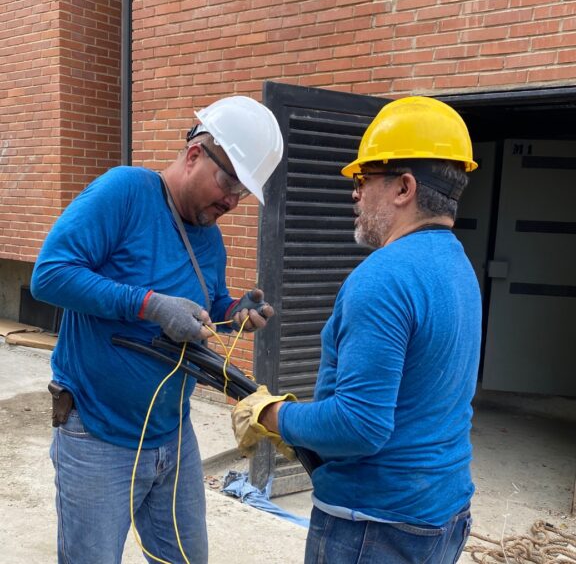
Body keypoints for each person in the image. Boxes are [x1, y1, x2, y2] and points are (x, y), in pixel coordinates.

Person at [30, 95, 284, 564]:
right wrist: (149, 304)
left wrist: (236, 314)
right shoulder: (125, 192)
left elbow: (206, 307)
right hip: (97, 433)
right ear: (193, 155)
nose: (232, 200)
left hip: (172, 434)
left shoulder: (208, 234)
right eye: (229, 182)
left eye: (243, 192)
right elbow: (49, 275)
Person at [232, 96, 482, 564]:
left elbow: (359, 426)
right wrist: (305, 429)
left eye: (365, 179)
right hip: (441, 512)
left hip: (373, 526)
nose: (354, 192)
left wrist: (270, 417)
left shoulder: (383, 277)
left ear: (404, 187)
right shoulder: (456, 265)